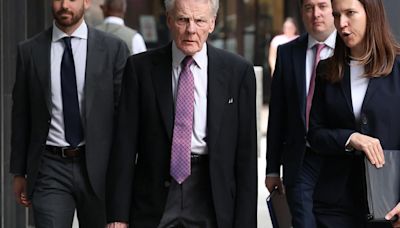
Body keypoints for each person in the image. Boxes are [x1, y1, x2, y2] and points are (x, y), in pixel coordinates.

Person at [106, 0, 258, 227]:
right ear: (168, 20)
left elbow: (246, 156)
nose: (191, 29)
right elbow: (124, 146)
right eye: (183, 19)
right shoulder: (140, 69)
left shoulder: (238, 73)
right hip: (154, 196)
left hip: (212, 194)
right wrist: (117, 216)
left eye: (199, 21)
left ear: (212, 24)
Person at [10, 0, 129, 227]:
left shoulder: (114, 50)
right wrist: (18, 172)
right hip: (49, 167)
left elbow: (124, 119)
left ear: (86, 2)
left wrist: (124, 178)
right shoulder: (29, 51)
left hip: (100, 168)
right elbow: (21, 114)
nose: (64, 5)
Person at [308, 0, 400, 227]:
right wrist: (350, 138)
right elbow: (315, 135)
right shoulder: (326, 69)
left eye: (350, 13)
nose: (342, 24)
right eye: (337, 15)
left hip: (388, 203)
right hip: (335, 205)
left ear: (372, 15)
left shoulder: (398, 68)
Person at [265, 0, 336, 227]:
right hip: (299, 161)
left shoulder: (351, 50)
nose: (316, 14)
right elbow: (277, 114)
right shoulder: (287, 53)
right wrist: (272, 168)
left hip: (340, 163)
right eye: (309, 7)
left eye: (322, 6)